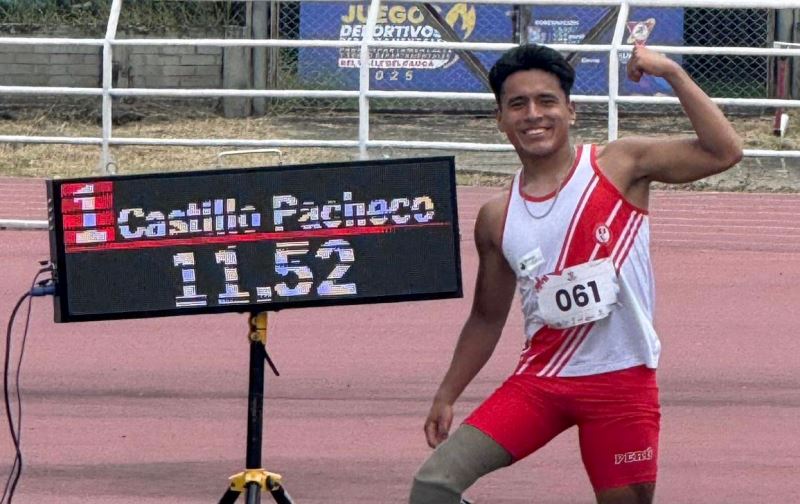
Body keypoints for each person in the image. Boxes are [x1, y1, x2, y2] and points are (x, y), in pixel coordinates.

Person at [409, 44, 743, 504]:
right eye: (517, 104)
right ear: (500, 119)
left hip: (621, 384)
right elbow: (486, 318)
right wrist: (447, 393)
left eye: (547, 101)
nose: (534, 115)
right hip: (540, 383)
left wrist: (671, 73)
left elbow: (724, 151)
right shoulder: (496, 217)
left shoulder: (620, 165)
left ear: (571, 109)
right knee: (433, 487)